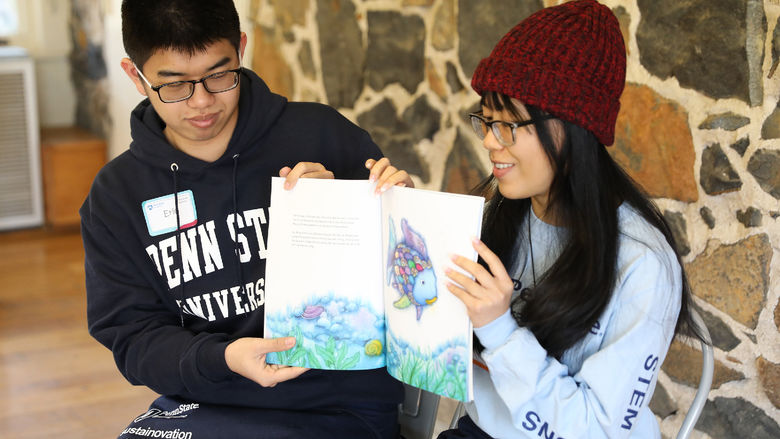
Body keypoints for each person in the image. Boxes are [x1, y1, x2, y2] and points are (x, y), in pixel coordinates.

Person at [369, 1, 705, 438]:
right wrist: (405, 219)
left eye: (508, 124)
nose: (490, 141)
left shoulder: (642, 265)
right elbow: (438, 326)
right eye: (486, 120)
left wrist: (501, 330)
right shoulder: (508, 215)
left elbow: (597, 429)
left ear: (570, 127)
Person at [80, 1, 404, 438]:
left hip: (337, 405)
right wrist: (224, 358)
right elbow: (133, 337)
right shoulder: (116, 196)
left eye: (219, 75)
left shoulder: (322, 136)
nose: (201, 102)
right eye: (173, 85)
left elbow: (402, 282)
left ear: (241, 49)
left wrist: (357, 208)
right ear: (135, 76)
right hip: (204, 400)